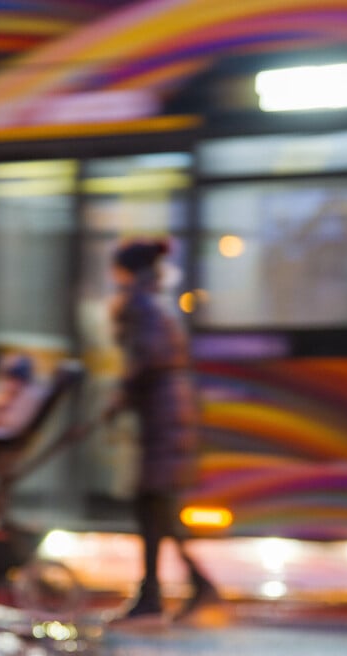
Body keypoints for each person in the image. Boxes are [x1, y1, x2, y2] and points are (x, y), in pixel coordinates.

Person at [107, 236, 220, 622]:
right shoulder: (153, 299)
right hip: (169, 410)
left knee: (153, 505)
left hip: (163, 414)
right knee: (155, 507)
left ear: (124, 270)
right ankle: (171, 590)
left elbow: (147, 357)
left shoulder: (139, 302)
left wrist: (120, 394)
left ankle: (160, 594)